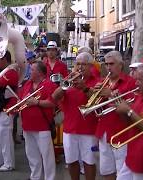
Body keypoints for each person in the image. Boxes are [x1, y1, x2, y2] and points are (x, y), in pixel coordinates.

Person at [52, 52, 99, 180]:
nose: (80, 67)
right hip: (70, 129)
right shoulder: (69, 80)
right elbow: (54, 96)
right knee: (71, 161)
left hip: (88, 130)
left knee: (89, 162)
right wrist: (65, 84)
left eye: (84, 64)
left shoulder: (97, 81)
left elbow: (98, 101)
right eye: (78, 64)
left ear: (90, 66)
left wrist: (84, 88)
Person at [95, 51, 137, 180]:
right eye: (106, 64)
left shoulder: (130, 82)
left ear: (121, 65)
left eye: (111, 64)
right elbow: (96, 107)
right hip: (104, 132)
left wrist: (111, 94)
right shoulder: (103, 82)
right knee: (107, 171)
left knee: (122, 173)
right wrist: (93, 94)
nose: (108, 67)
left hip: (121, 133)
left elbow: (132, 107)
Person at [19, 61, 57, 180]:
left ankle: (49, 178)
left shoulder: (49, 85)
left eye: (32, 69)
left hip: (43, 126)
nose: (30, 71)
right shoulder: (27, 84)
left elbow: (52, 103)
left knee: (47, 156)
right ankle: (35, 177)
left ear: (40, 72)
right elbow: (20, 101)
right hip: (27, 126)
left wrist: (37, 102)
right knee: (32, 155)